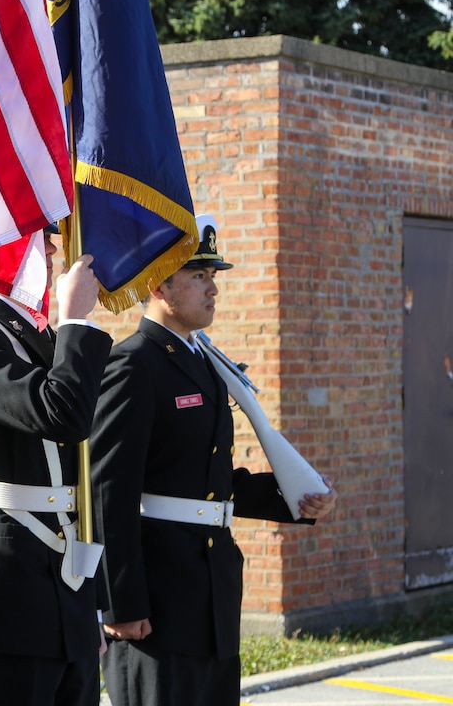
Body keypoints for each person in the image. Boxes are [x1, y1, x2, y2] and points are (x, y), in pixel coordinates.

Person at [90, 214, 339, 706]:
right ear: (161, 284)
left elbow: (209, 480)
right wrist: (119, 601)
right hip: (157, 598)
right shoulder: (132, 364)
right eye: (199, 276)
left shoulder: (204, 362)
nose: (213, 289)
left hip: (211, 590)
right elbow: (108, 489)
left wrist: (295, 498)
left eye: (213, 276)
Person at [0, 210, 113, 706]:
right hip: (7, 576)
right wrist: (75, 319)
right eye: (39, 240)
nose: (55, 251)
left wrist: (91, 606)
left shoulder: (48, 340)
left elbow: (84, 474)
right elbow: (62, 414)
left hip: (68, 579)